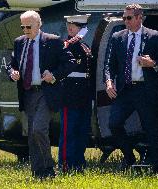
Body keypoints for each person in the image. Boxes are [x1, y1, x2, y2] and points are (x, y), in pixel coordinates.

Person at [6, 10, 76, 179]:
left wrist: (54, 75)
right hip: (28, 93)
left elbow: (70, 62)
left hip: (46, 92)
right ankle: (38, 172)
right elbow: (11, 64)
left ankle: (49, 169)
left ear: (39, 24)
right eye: (23, 27)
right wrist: (12, 72)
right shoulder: (19, 42)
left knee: (38, 129)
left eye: (28, 26)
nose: (25, 30)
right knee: (32, 135)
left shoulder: (52, 41)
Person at [104, 4, 158, 172]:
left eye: (129, 18)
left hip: (145, 90)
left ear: (140, 17)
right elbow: (109, 64)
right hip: (125, 89)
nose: (125, 21)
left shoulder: (154, 36)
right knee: (114, 124)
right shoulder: (118, 37)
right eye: (124, 18)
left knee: (151, 128)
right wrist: (109, 81)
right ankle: (130, 157)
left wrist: (152, 63)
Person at [58, 14, 95, 173]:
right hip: (69, 95)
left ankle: (78, 164)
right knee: (69, 131)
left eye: (75, 26)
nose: (70, 28)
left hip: (83, 95)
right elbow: (64, 48)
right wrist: (75, 38)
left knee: (82, 131)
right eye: (69, 25)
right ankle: (65, 165)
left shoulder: (85, 47)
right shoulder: (66, 44)